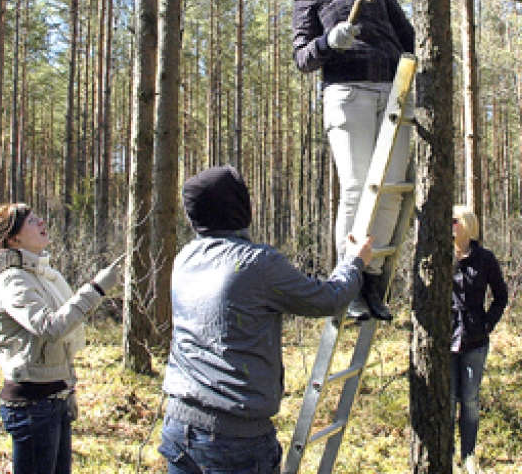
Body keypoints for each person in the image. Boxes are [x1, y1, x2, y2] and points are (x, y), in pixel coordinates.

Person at [158, 165, 374, 474]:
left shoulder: (185, 258)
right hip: (235, 440)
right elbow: (328, 298)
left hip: (178, 425)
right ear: (238, 208)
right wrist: (355, 262)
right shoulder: (256, 264)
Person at [292, 0, 415, 322]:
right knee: (358, 187)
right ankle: (350, 279)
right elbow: (302, 58)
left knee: (391, 189)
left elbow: (409, 37)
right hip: (348, 94)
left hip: (395, 92)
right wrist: (328, 42)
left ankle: (372, 280)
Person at [0, 203, 125, 474]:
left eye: (38, 218)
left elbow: (60, 339)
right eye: (31, 221)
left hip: (53, 397)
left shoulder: (42, 275)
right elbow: (51, 328)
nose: (41, 222)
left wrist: (67, 389)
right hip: (32, 406)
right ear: (13, 239)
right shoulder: (13, 281)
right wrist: (97, 289)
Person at [451, 205, 509, 474]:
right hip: (446, 340)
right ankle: (447, 452)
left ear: (467, 224)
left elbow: (500, 297)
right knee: (447, 400)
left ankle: (468, 455)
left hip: (475, 341)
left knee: (470, 401)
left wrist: (486, 324)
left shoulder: (485, 258)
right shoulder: (440, 256)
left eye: (455, 221)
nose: (451, 226)